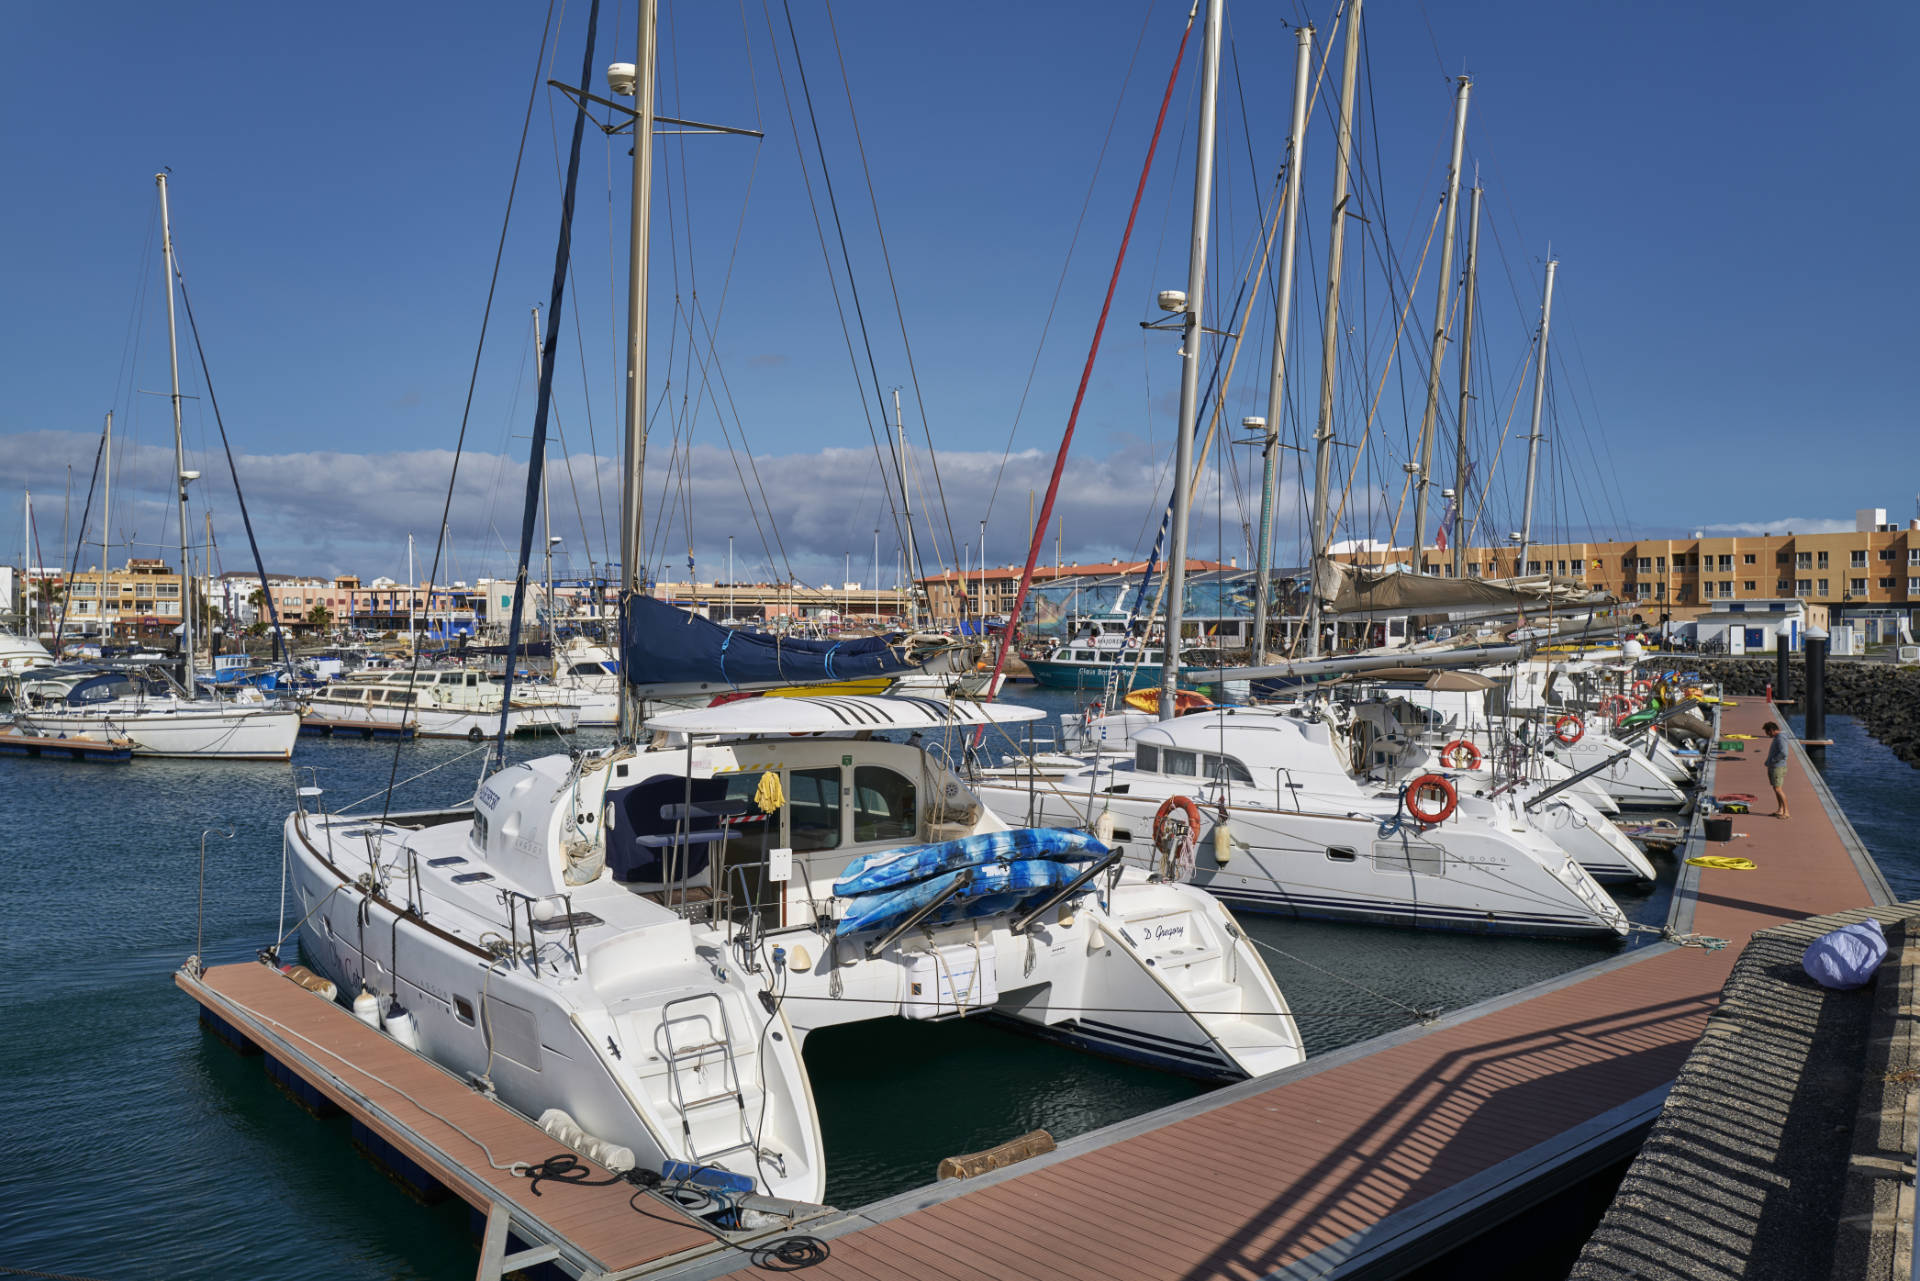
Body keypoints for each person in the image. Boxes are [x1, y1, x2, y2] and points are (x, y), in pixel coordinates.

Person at [1763, 721, 1790, 819]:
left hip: (1778, 767)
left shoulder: (1780, 738)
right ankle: (1780, 809)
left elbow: (1784, 753)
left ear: (1771, 730)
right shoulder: (1777, 738)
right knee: (1776, 788)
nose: (1767, 735)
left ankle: (1786, 812)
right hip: (1774, 766)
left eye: (1767, 732)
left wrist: (1773, 760)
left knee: (1778, 789)